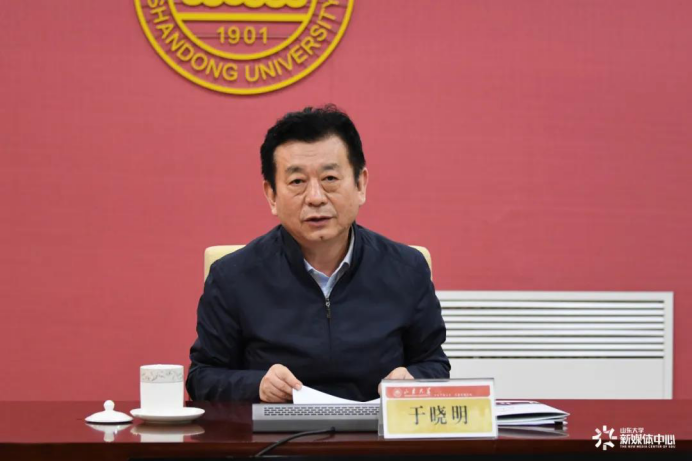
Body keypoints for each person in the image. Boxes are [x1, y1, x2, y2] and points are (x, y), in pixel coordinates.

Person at [186, 105, 450, 402]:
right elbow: (202, 377)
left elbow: (434, 363)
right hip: (277, 432)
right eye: (297, 182)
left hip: (374, 430)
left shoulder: (407, 269)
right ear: (271, 195)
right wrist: (257, 385)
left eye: (330, 179)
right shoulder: (232, 277)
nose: (315, 198)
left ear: (360, 184)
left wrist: (412, 379)